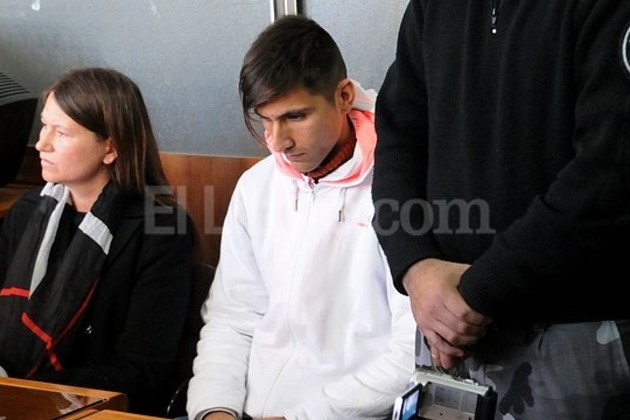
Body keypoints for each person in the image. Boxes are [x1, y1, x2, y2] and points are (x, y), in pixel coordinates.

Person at [372, 0, 630, 419]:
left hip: (572, 336)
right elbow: (398, 138)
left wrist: (480, 289)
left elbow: (609, 175)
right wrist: (414, 265)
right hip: (445, 333)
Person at [187, 15, 416, 420]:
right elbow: (232, 320)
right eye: (265, 119)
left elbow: (410, 352)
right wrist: (214, 409)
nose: (278, 142)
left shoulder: (399, 188)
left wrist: (302, 417)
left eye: (295, 116)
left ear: (343, 96)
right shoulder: (256, 187)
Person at [0, 67, 196, 415]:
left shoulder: (162, 231)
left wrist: (22, 393)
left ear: (110, 147)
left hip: (95, 411)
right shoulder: (27, 212)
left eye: (61, 132)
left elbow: (140, 373)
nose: (42, 143)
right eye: (44, 126)